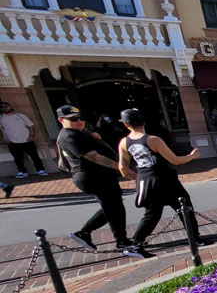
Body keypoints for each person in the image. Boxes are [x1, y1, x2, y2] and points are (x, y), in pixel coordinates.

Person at [55, 105, 143, 258]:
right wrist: (121, 168)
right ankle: (120, 240)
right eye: (73, 119)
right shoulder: (69, 136)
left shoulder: (79, 133)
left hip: (101, 176)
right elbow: (94, 157)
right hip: (92, 177)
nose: (79, 121)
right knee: (113, 208)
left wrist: (94, 136)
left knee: (111, 207)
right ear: (61, 120)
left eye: (80, 118)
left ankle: (85, 233)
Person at [117, 108, 205, 257]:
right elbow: (175, 160)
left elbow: (122, 167)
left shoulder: (124, 142)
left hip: (146, 180)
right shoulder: (152, 140)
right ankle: (195, 238)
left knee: (152, 214)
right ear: (143, 122)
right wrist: (192, 156)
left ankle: (136, 244)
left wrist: (132, 175)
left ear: (126, 124)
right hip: (165, 179)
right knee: (184, 207)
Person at [0, 100, 46, 177]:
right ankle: (22, 172)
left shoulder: (20, 116)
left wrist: (32, 136)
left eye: (6, 106)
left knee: (34, 156)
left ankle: (41, 170)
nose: (4, 108)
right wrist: (4, 139)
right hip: (13, 142)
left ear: (10, 107)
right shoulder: (1, 118)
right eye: (1, 107)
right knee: (18, 159)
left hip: (27, 140)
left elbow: (31, 126)